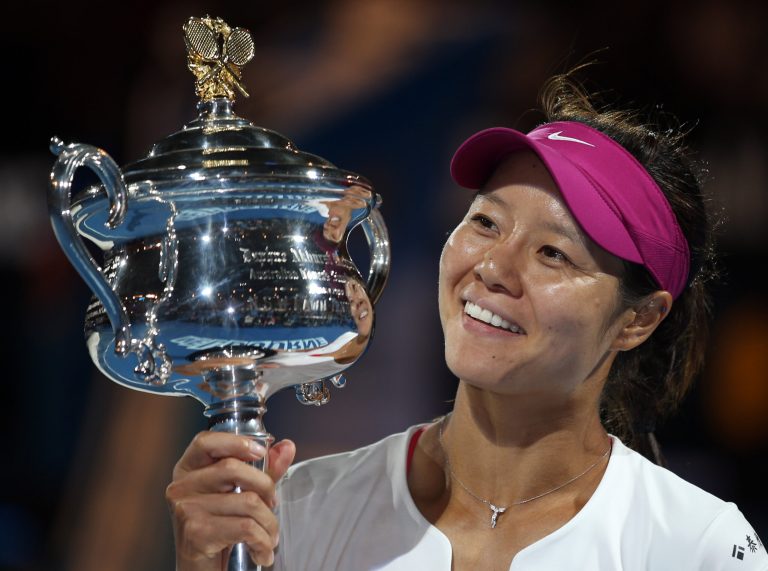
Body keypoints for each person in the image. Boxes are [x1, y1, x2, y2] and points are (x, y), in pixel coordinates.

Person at [165, 73, 768, 570]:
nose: (493, 268)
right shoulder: (296, 511)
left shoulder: (699, 548)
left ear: (639, 318)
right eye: (485, 223)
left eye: (553, 253)